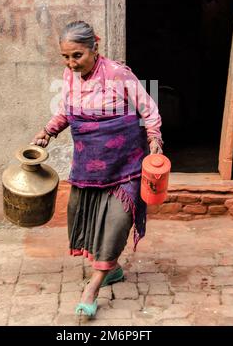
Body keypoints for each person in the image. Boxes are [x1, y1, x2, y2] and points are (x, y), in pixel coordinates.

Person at [32, 21, 162, 317]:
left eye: (76, 55)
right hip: (89, 165)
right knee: (88, 220)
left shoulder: (118, 73)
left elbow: (148, 109)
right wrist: (47, 131)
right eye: (65, 57)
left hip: (126, 163)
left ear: (95, 47)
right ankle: (112, 268)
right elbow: (67, 110)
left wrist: (154, 138)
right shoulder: (69, 75)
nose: (71, 63)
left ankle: (93, 287)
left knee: (117, 222)